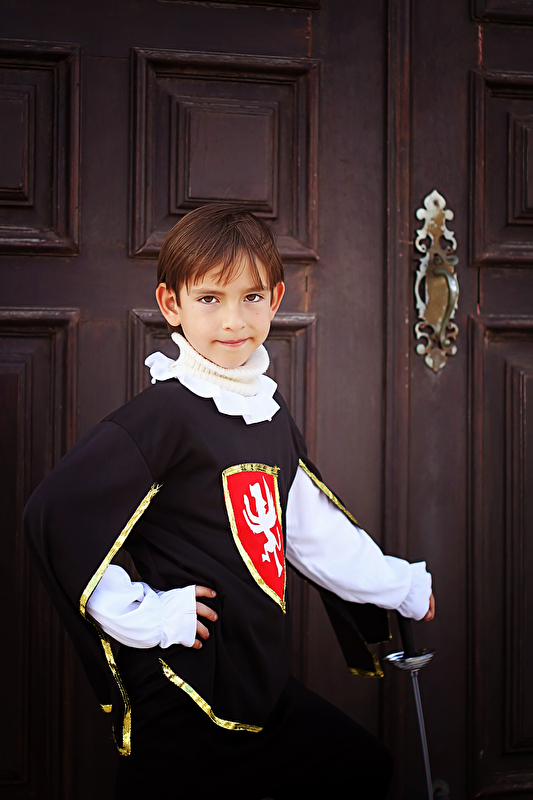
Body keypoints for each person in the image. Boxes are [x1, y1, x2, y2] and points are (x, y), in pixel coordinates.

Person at [24, 203, 434, 800]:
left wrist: (398, 585)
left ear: (276, 299)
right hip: (183, 688)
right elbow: (57, 517)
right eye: (210, 298)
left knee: (361, 765)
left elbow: (309, 530)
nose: (233, 319)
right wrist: (147, 613)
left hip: (258, 676)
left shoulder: (267, 412)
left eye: (251, 297)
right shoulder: (163, 415)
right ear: (172, 304)